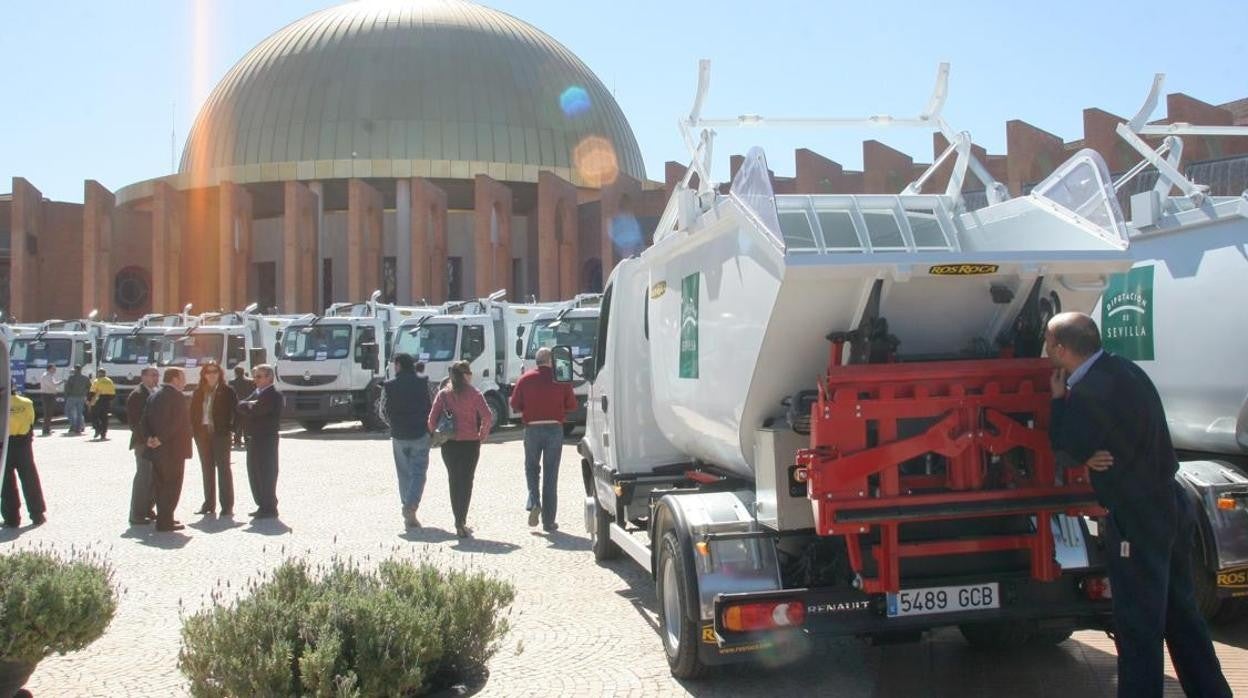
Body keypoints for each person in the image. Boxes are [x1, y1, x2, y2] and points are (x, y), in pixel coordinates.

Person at [1046, 312, 1231, 698]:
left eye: (1049, 343)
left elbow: (1066, 448)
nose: (1047, 350)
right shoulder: (1126, 370)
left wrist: (1059, 402)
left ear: (1062, 349)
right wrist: (1088, 452)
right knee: (1181, 614)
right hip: (1171, 500)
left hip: (1136, 514)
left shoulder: (1090, 389)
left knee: (1138, 621)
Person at [510, 346, 577, 532]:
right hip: (554, 428)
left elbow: (515, 404)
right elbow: (571, 405)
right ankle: (549, 521)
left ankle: (534, 501)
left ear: (537, 360)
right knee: (551, 474)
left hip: (532, 428)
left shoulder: (525, 379)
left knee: (531, 468)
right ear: (551, 361)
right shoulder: (560, 378)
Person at [427, 360, 492, 538]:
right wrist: (482, 435)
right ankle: (461, 520)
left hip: (449, 443)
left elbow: (431, 421)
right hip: (470, 443)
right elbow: (487, 416)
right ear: (465, 375)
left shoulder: (443, 395)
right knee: (467, 481)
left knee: (454, 481)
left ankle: (458, 520)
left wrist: (438, 435)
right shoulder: (474, 393)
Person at [382, 354, 432, 528]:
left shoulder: (389, 386)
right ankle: (411, 505)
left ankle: (407, 506)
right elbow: (430, 406)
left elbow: (382, 410)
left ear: (398, 365)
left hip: (399, 435)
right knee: (419, 472)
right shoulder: (423, 383)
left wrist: (393, 424)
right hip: (420, 432)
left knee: (403, 474)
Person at [142, 367, 193, 532]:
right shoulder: (176, 396)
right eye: (183, 378)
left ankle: (165, 518)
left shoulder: (154, 395)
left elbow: (144, 420)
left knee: (160, 485)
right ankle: (165, 521)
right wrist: (160, 439)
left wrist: (149, 438)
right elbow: (176, 423)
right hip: (173, 449)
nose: (185, 382)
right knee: (172, 486)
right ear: (175, 379)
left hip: (156, 449)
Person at [190, 362, 238, 517]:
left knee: (223, 469)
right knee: (207, 469)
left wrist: (232, 430)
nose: (211, 374)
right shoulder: (198, 392)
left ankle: (227, 506)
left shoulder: (227, 391)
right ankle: (209, 504)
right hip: (202, 434)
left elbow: (236, 412)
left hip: (220, 434)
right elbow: (191, 413)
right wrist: (194, 431)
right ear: (203, 374)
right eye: (208, 372)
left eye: (215, 371)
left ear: (220, 373)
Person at [236, 364, 283, 519]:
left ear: (269, 377)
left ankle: (269, 506)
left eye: (259, 376)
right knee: (255, 472)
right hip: (253, 437)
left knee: (266, 472)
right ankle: (262, 504)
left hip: (266, 439)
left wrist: (250, 407)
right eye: (254, 376)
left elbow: (257, 411)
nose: (255, 380)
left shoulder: (272, 394)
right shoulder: (257, 392)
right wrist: (248, 405)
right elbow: (240, 406)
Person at [3, 381, 47, 528]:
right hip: (23, 444)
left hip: (4, 445)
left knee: (7, 483)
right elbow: (31, 421)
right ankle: (37, 514)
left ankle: (12, 518)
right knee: (30, 479)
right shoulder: (27, 402)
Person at [126, 366, 159, 525]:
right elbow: (135, 422)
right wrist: (146, 439)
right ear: (143, 377)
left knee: (154, 478)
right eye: (153, 375)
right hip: (143, 442)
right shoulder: (137, 395)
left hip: (156, 442)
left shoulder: (155, 392)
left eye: (157, 375)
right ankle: (136, 514)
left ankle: (147, 508)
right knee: (143, 477)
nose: (156, 378)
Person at [229, 366, 255, 448]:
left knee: (237, 423)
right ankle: (247, 439)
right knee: (247, 423)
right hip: (247, 405)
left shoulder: (232, 382)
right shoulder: (251, 381)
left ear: (235, 373)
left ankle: (237, 439)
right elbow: (253, 393)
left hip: (236, 405)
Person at [88, 369, 116, 440]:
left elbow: (92, 391)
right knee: (104, 418)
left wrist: (89, 400)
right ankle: (103, 434)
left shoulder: (97, 381)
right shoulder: (110, 381)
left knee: (94, 416)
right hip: (107, 401)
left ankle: (98, 429)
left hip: (98, 400)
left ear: (99, 373)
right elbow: (113, 394)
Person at [63, 365, 91, 435]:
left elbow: (67, 388)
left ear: (75, 369)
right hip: (81, 397)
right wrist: (85, 394)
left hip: (72, 397)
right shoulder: (85, 378)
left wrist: (66, 396)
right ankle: (79, 428)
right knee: (79, 413)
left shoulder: (71, 378)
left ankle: (74, 425)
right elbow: (90, 387)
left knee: (68, 411)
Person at [37, 365, 63, 435]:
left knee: (50, 413)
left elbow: (53, 384)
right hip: (47, 395)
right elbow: (53, 385)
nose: (55, 370)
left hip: (50, 395)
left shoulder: (50, 376)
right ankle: (45, 430)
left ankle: (47, 428)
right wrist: (61, 382)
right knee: (47, 413)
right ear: (49, 369)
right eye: (53, 369)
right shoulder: (46, 376)